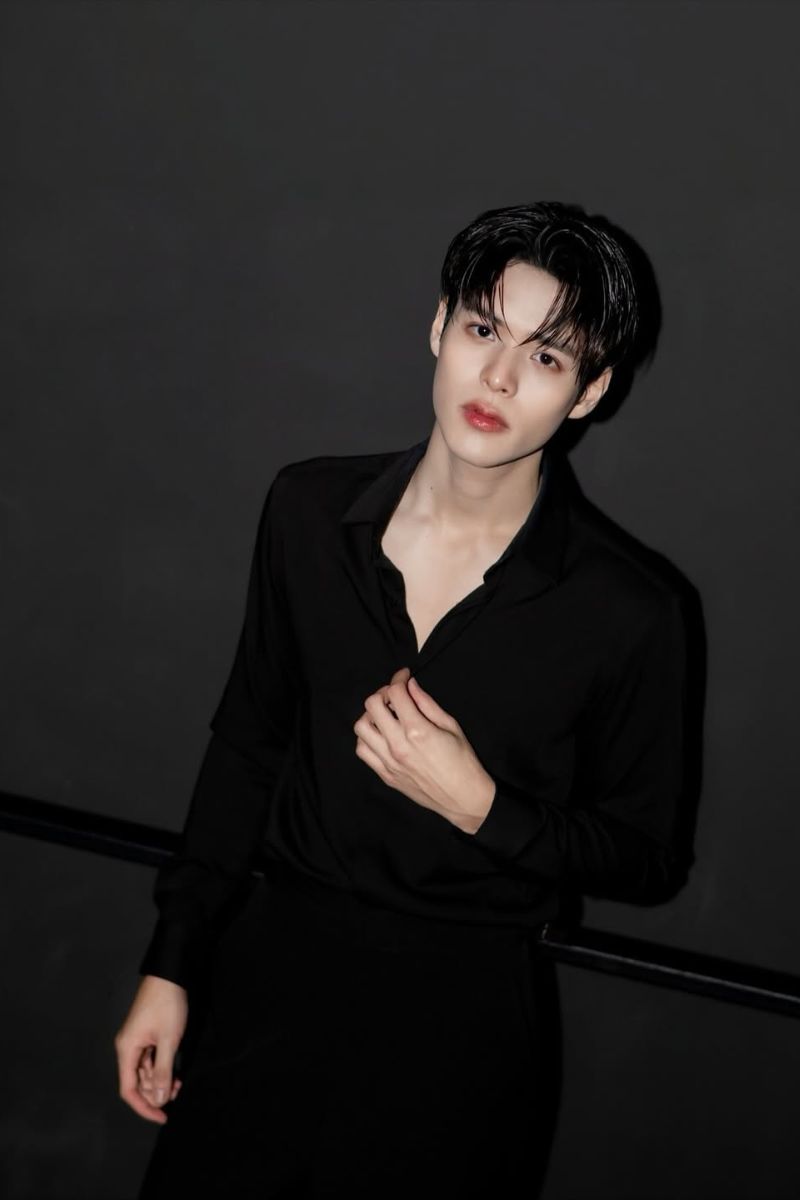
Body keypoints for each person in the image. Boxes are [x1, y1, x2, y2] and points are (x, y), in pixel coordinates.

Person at [115, 201, 688, 1199]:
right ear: (437, 327)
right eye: (482, 330)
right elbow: (247, 745)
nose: (497, 378)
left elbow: (645, 857)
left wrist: (482, 807)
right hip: (267, 986)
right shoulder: (308, 512)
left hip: (459, 1035)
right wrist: (172, 962)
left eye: (546, 357)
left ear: (590, 391)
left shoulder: (630, 611)